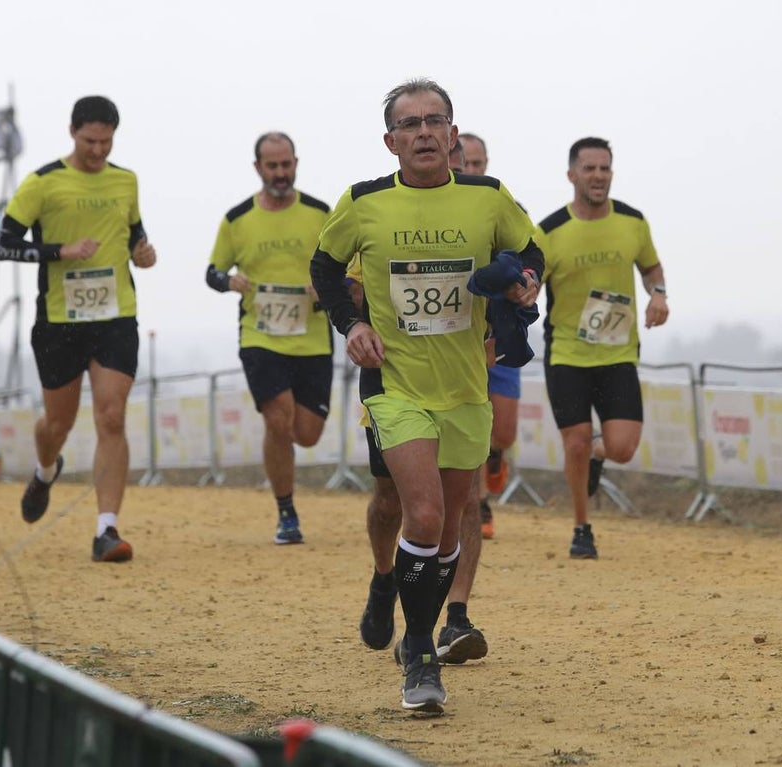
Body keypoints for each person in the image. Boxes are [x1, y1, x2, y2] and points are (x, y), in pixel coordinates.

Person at [311, 79, 542, 713]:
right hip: (397, 383)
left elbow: (529, 252)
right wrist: (351, 325)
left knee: (446, 538)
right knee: (426, 515)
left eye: (434, 120)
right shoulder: (362, 203)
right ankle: (418, 651)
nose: (423, 132)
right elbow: (324, 268)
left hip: (467, 384)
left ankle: (412, 609)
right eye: (409, 124)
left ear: (452, 134)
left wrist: (524, 286)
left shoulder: (488, 197)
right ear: (390, 141)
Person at [0, 95, 156, 563]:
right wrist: (57, 251)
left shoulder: (126, 180)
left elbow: (135, 237)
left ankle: (107, 530)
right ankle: (46, 469)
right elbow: (4, 246)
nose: (98, 150)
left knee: (111, 416)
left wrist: (143, 253)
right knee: (57, 425)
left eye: (106, 141)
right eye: (90, 141)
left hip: (115, 316)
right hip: (59, 322)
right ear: (72, 132)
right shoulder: (43, 183)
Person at [534, 137, 669, 559]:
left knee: (623, 449)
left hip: (617, 353)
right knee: (573, 441)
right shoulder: (550, 230)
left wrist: (659, 294)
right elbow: (531, 285)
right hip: (568, 353)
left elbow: (651, 268)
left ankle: (597, 452)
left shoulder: (632, 221)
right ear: (572, 175)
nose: (598, 176)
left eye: (604, 168)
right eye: (589, 169)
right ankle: (581, 527)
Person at [205, 133, 332, 545]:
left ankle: (284, 470)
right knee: (278, 421)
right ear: (257, 168)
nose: (280, 173)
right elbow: (212, 272)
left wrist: (325, 286)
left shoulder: (320, 213)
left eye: (286, 165)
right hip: (260, 336)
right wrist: (229, 281)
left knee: (307, 433)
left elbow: (345, 264)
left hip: (311, 337)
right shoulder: (237, 219)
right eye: (272, 166)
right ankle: (286, 511)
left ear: (296, 162)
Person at [459, 132, 524, 540]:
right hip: (457, 338)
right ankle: (477, 503)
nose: (471, 169)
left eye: (478, 162)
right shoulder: (440, 210)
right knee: (470, 424)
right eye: (464, 162)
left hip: (498, 332)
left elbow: (532, 260)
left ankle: (497, 456)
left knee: (502, 432)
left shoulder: (505, 208)